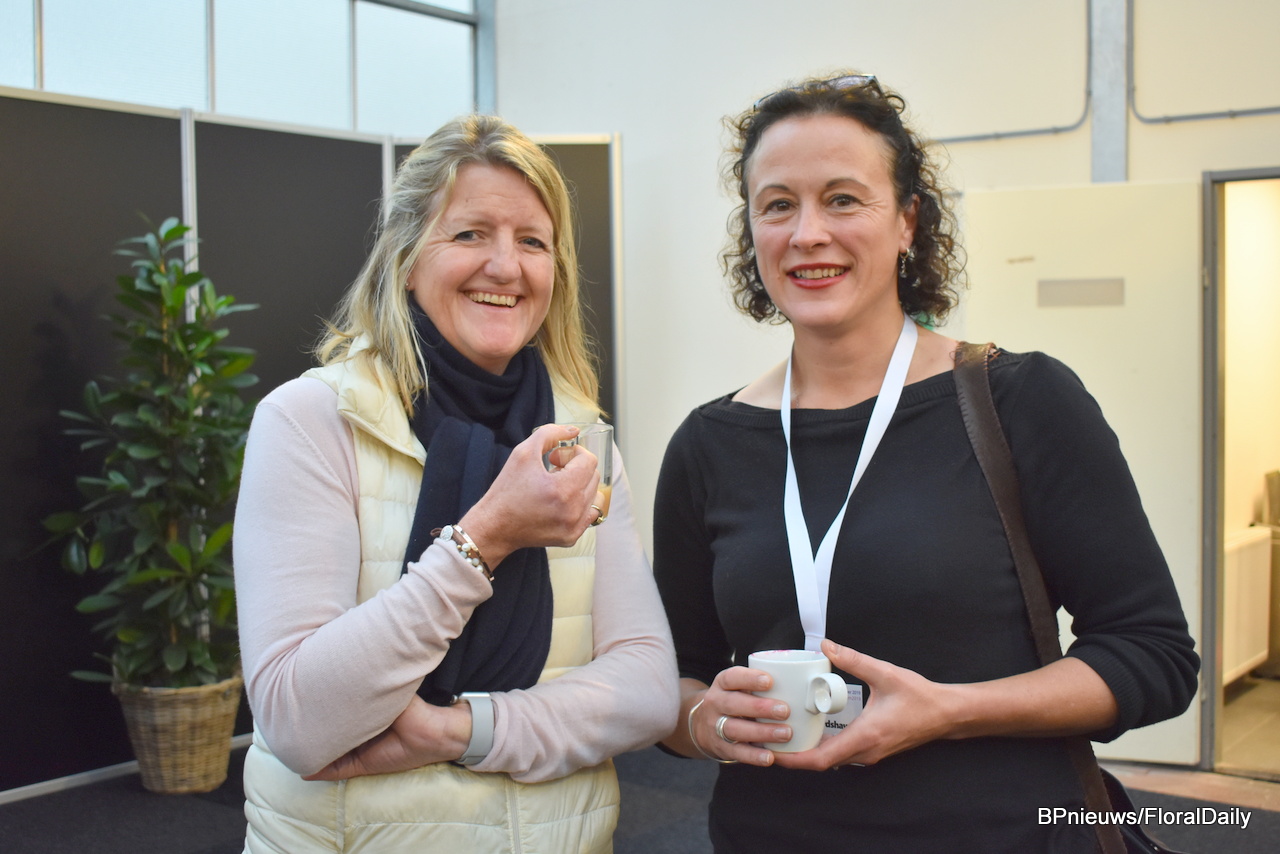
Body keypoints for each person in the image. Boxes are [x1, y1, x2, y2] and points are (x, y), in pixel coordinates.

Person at [653, 73, 1198, 852]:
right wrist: (704, 721)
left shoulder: (1019, 401)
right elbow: (675, 681)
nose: (808, 232)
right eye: (777, 205)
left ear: (908, 220)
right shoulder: (709, 444)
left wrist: (952, 711)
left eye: (843, 199)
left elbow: (1153, 656)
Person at [233, 114, 678, 853]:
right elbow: (298, 721)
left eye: (532, 242)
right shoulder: (312, 421)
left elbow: (649, 689)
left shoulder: (582, 437)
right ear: (407, 258)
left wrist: (460, 731)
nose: (505, 266)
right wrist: (486, 537)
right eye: (470, 234)